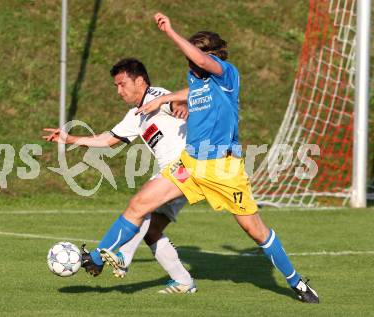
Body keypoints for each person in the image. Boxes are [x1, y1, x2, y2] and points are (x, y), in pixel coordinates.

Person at [85, 13, 319, 303]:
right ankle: (96, 258)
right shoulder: (196, 79)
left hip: (223, 168)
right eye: (189, 63)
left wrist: (170, 32)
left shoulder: (227, 74)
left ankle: (296, 282)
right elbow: (192, 89)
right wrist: (164, 99)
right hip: (191, 165)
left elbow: (204, 64)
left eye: (195, 61)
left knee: (254, 230)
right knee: (139, 204)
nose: (192, 67)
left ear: (210, 58)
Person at [43, 58, 196, 294]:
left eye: (122, 84)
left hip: (186, 167)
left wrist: (180, 104)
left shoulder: (156, 95)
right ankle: (183, 281)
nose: (119, 91)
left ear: (140, 81)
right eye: (116, 86)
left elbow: (175, 99)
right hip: (171, 172)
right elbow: (108, 139)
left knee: (139, 206)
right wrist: (72, 139)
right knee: (152, 229)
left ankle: (113, 255)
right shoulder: (136, 114)